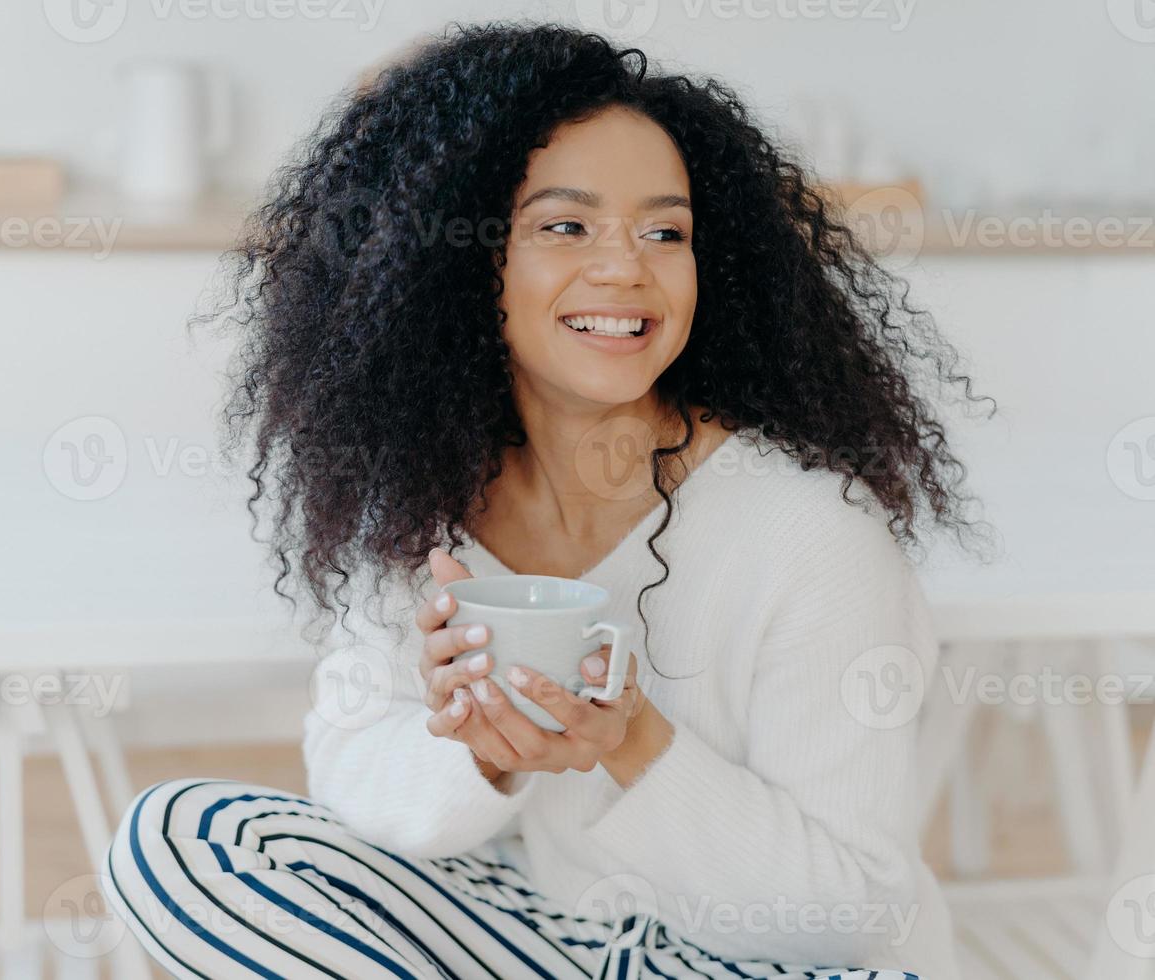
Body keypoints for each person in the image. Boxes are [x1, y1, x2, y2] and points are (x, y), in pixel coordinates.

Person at [103, 20, 995, 979]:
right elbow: (351, 769)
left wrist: (634, 744)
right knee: (184, 839)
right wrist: (477, 755)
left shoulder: (814, 536)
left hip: (757, 963)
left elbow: (856, 918)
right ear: (459, 263)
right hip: (546, 934)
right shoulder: (425, 507)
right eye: (565, 226)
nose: (625, 269)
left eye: (665, 231)